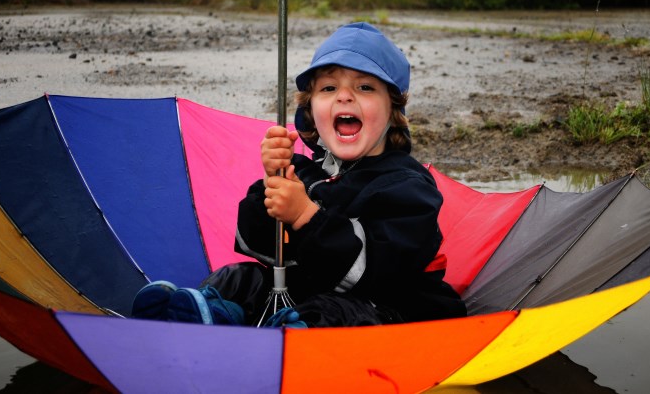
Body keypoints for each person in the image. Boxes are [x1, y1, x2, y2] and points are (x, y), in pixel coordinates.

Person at [132, 22, 465, 327]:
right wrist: (272, 182)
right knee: (242, 277)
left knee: (332, 311)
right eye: (328, 88)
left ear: (393, 112)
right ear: (310, 112)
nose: (345, 96)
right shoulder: (306, 173)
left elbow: (370, 271)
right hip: (305, 293)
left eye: (365, 87)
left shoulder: (407, 186)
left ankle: (295, 335)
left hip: (389, 309)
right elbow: (258, 246)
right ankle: (202, 313)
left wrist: (306, 215)